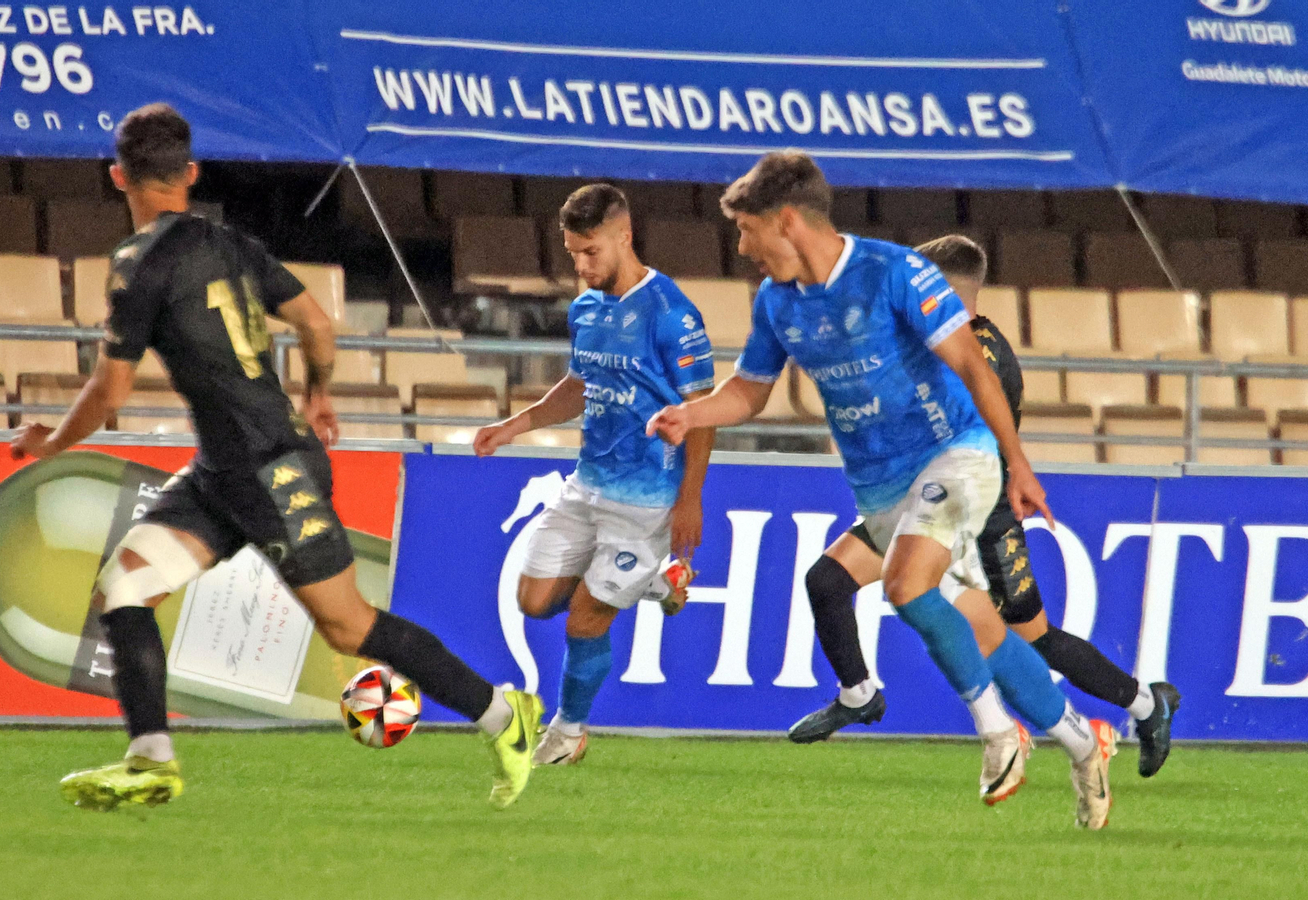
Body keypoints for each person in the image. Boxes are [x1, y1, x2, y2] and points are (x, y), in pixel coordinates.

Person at [10, 103, 542, 812]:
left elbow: (110, 391)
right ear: (191, 174)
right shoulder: (229, 244)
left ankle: (507, 718)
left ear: (118, 178)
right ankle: (151, 760)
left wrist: (50, 443)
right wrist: (320, 393)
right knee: (124, 589)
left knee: (349, 626)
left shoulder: (137, 265)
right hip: (224, 473)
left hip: (268, 468)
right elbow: (317, 322)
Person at [646, 151, 1118, 830]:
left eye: (747, 231)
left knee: (903, 586)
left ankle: (997, 732)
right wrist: (692, 414)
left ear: (786, 221)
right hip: (881, 485)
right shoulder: (778, 304)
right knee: (980, 628)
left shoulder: (896, 273)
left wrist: (1016, 462)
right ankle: (1082, 741)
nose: (743, 248)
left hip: (956, 454)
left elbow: (972, 367)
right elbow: (751, 391)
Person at [786, 234, 1181, 778]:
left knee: (1033, 639)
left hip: (978, 513)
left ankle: (1145, 705)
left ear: (945, 287)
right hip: (922, 500)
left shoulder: (978, 352)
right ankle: (858, 696)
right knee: (827, 581)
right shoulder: (937, 338)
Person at [473, 184, 715, 766]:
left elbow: (702, 412)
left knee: (585, 617)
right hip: (586, 484)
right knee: (533, 602)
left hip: (648, 497)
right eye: (572, 254)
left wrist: (691, 499)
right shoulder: (587, 309)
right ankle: (657, 583)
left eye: (590, 253)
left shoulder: (672, 314)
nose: (580, 267)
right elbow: (579, 388)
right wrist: (516, 425)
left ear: (623, 237)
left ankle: (570, 731)